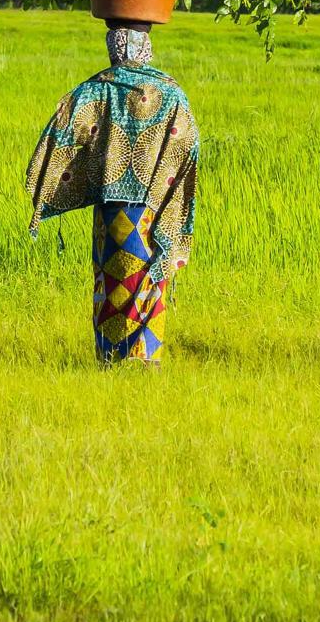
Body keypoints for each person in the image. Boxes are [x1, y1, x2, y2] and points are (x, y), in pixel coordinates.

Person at [25, 19, 199, 364]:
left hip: (109, 210)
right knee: (147, 277)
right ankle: (145, 357)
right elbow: (188, 146)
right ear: (145, 44)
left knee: (112, 282)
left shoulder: (94, 90)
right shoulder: (171, 92)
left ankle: (111, 358)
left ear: (114, 44)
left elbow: (60, 135)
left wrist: (49, 186)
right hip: (155, 208)